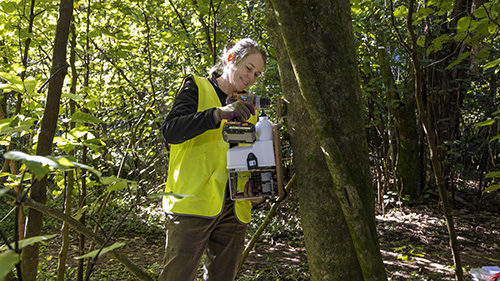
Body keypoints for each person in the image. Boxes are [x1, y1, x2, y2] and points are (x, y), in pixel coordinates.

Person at [159, 38, 267, 281]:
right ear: (231, 59)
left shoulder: (250, 107)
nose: (251, 77)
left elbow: (249, 155)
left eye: (257, 74)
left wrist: (257, 188)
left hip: (234, 209)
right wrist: (217, 114)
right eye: (248, 68)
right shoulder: (196, 87)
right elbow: (171, 130)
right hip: (192, 203)